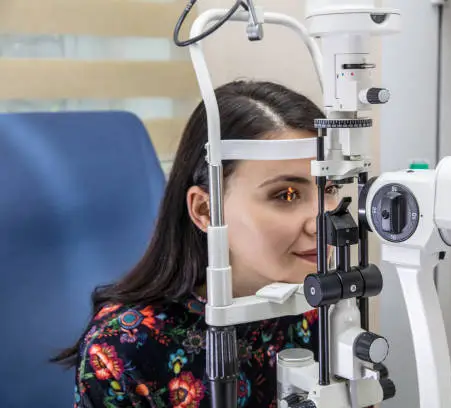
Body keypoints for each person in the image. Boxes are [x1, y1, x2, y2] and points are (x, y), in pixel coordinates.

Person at [52, 80, 342, 408]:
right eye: (286, 194)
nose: (323, 220)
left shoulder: (319, 309)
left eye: (329, 189)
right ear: (205, 210)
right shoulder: (126, 346)